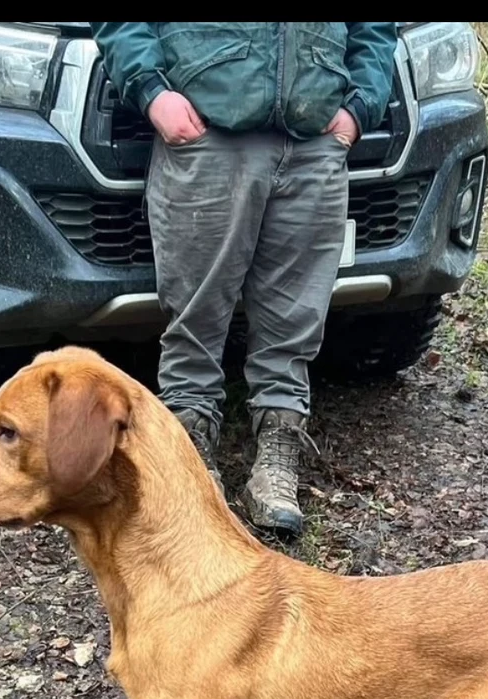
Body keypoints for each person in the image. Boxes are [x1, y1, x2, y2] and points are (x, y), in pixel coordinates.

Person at [89, 22, 399, 539]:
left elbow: (376, 29)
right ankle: (189, 468)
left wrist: (358, 109)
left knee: (296, 316)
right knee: (196, 313)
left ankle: (276, 466)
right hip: (207, 138)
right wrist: (152, 93)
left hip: (314, 143)